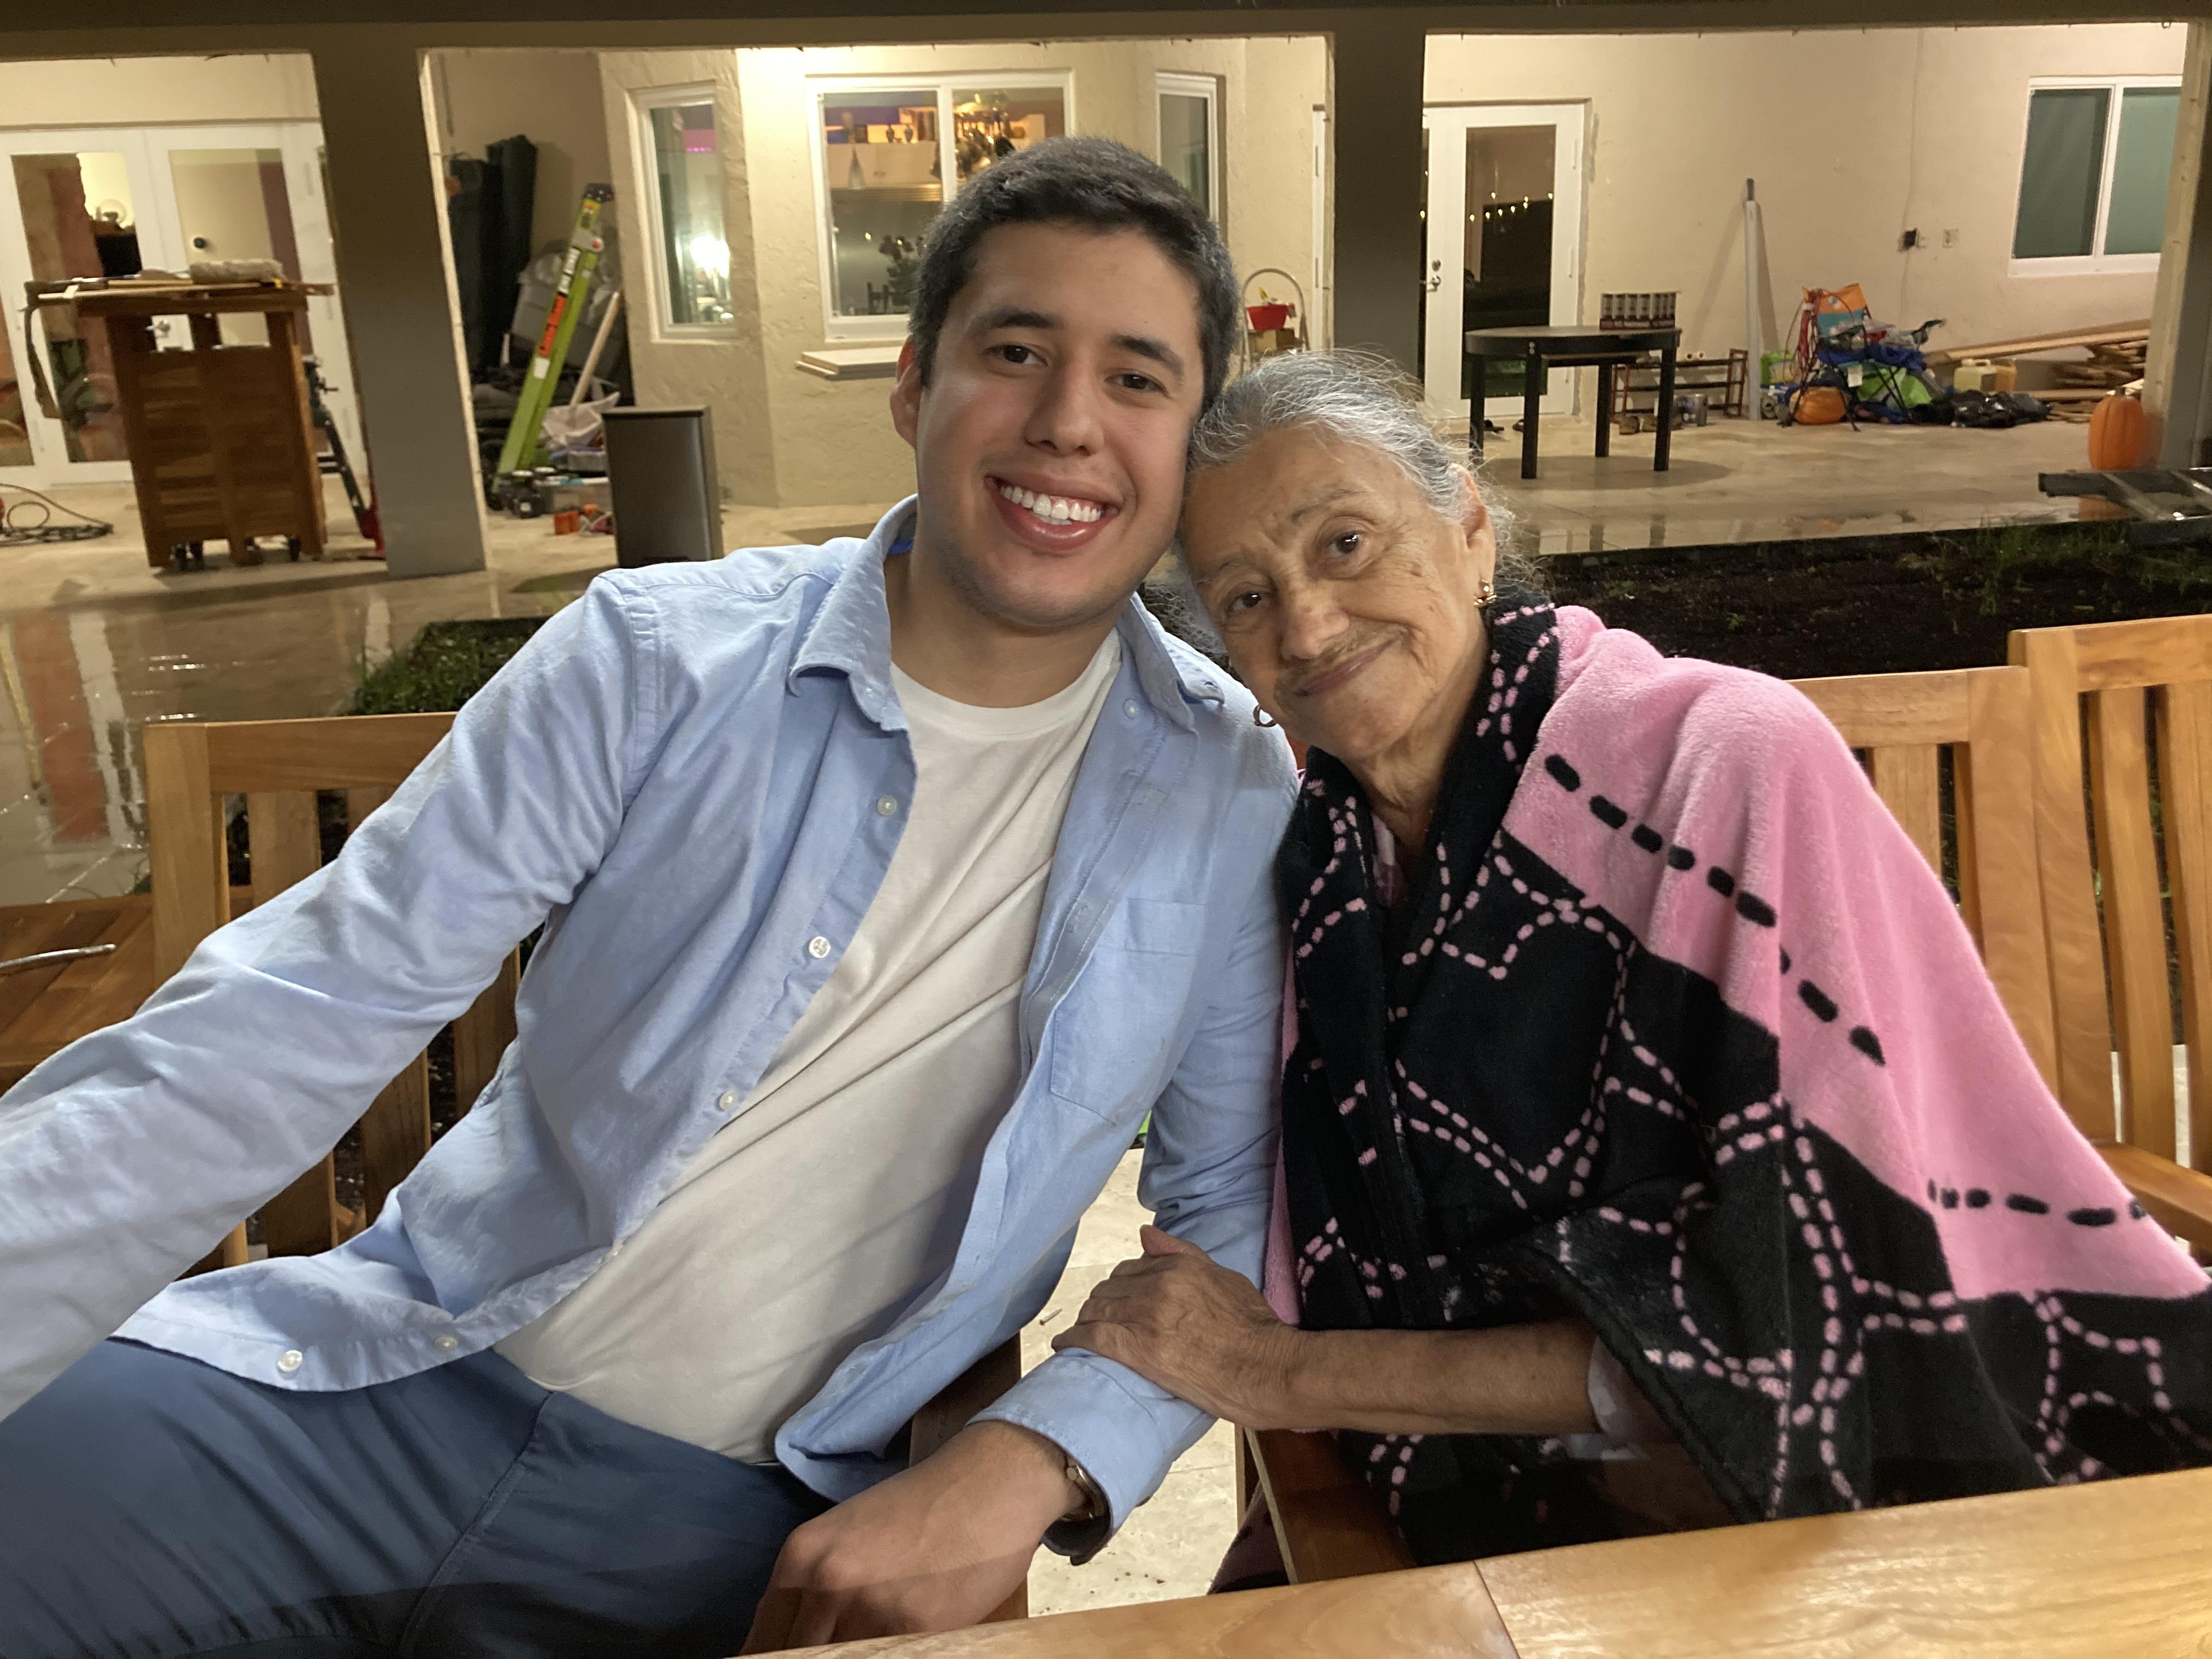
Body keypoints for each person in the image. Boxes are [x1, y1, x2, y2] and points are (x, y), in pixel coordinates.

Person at [0, 137, 1295, 1656]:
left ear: (1191, 437)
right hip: (367, 1391)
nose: (1071, 421)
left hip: (734, 1520)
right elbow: (295, 1011)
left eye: (1138, 378)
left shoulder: (1233, 788)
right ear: (913, 388)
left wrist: (1041, 1452)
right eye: (1016, 351)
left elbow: (1224, 1210)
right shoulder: (654, 659)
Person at [1056, 350, 2212, 1568]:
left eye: (1344, 543)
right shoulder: (1307, 867)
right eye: (1244, 597)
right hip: (1446, 1499)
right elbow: (1243, 1211)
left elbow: (1800, 1309)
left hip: (1822, 1511)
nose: (1307, 622)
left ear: (1470, 529)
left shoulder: (1729, 767)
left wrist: (1287, 1371)